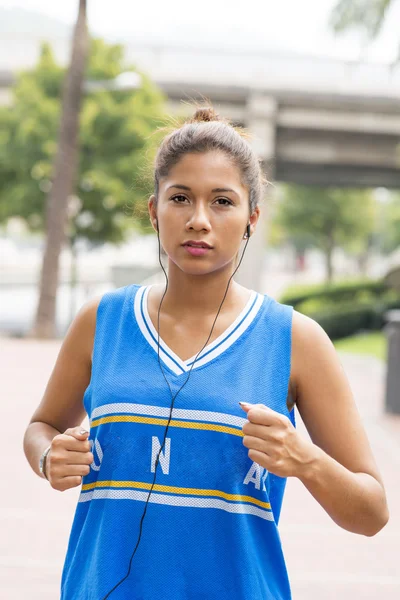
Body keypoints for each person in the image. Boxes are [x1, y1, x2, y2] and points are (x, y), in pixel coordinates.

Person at [23, 104, 389, 600]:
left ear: (252, 218)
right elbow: (40, 426)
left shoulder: (295, 340)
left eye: (222, 201)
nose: (199, 220)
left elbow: (371, 512)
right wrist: (49, 458)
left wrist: (306, 461)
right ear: (154, 210)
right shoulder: (101, 321)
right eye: (180, 198)